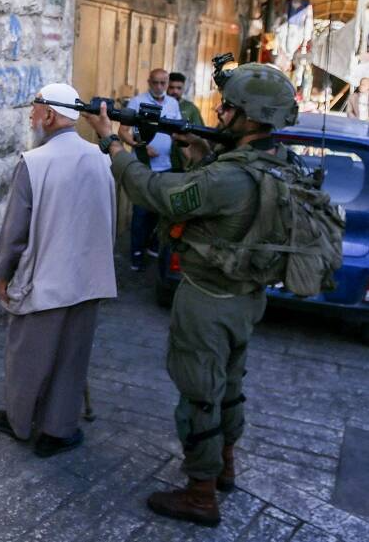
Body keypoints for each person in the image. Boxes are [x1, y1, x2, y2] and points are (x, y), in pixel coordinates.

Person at [82, 62, 299, 527]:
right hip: (245, 296)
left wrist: (112, 143)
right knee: (231, 387)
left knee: (200, 391)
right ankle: (225, 466)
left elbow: (156, 192)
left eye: (229, 108)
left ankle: (201, 493)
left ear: (251, 118)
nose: (219, 113)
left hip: (208, 299)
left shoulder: (229, 178)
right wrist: (202, 150)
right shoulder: (274, 162)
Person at [0, 83, 117, 458]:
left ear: (49, 114)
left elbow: (14, 232)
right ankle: (57, 430)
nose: (31, 117)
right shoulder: (102, 157)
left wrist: (2, 273)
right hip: (88, 278)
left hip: (45, 279)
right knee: (72, 357)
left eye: (34, 109)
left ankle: (20, 420)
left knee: (27, 355)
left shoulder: (35, 163)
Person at [122, 68, 182, 270]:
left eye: (163, 83)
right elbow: (123, 131)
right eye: (155, 83)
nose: (159, 87)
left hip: (165, 167)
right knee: (141, 213)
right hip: (143, 167)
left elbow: (176, 131)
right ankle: (136, 255)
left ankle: (154, 247)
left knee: (160, 211)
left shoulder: (173, 104)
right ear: (148, 82)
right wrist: (141, 146)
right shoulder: (137, 102)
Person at [167, 72, 204, 173]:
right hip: (160, 160)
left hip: (182, 161)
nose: (175, 91)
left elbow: (199, 133)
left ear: (183, 89)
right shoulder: (160, 105)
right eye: (171, 87)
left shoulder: (190, 108)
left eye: (179, 88)